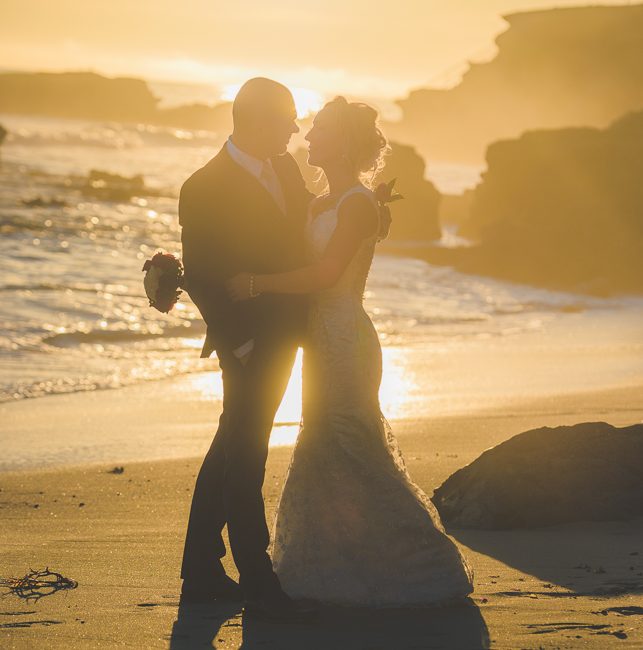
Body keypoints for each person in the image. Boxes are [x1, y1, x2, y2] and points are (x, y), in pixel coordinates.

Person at [226, 96, 474, 606]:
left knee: (349, 441)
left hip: (346, 340)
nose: (307, 138)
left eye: (318, 131)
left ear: (340, 143)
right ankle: (337, 561)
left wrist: (255, 284)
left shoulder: (358, 203)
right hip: (319, 341)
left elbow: (325, 273)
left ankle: (415, 562)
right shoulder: (322, 201)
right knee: (324, 444)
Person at [178, 77, 315, 621]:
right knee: (247, 456)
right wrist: (242, 343)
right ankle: (258, 580)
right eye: (287, 119)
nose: (295, 128)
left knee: (232, 443)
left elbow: (305, 229)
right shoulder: (204, 185)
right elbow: (206, 277)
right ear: (256, 120)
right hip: (248, 344)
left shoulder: (285, 167)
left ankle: (200, 566)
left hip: (290, 332)